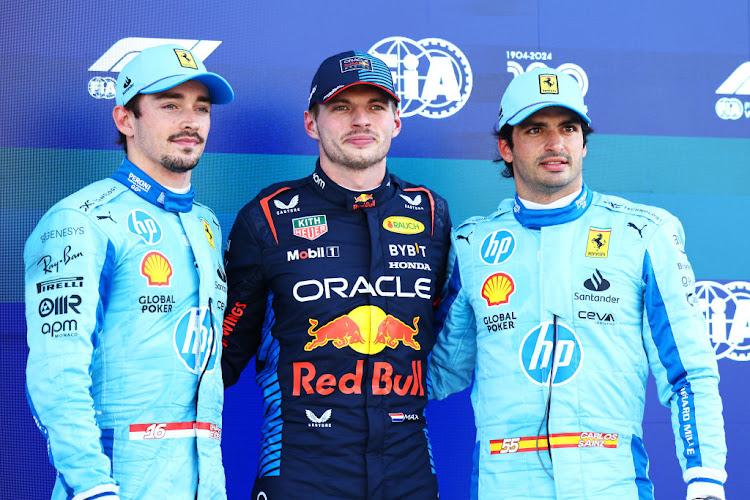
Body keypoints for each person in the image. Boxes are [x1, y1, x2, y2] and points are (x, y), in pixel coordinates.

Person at [428, 67, 727, 500]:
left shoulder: (643, 233)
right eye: (535, 129)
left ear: (584, 142)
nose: (556, 144)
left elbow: (687, 371)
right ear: (505, 147)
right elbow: (438, 373)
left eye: (568, 128)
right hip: (502, 484)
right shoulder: (472, 244)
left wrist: (705, 481)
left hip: (612, 483)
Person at [221, 50, 451, 499]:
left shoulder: (432, 214)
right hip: (300, 472)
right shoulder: (267, 218)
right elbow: (220, 360)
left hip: (408, 473)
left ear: (396, 123)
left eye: (376, 107)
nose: (360, 121)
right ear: (311, 122)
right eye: (342, 107)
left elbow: (449, 342)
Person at [24, 44, 234, 500]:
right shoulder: (80, 220)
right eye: (170, 105)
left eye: (201, 107)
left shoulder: (207, 223)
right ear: (125, 120)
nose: (191, 120)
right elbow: (56, 371)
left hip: (204, 482)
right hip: (118, 485)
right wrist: (93, 486)